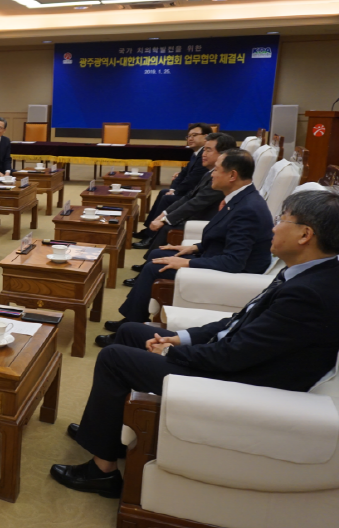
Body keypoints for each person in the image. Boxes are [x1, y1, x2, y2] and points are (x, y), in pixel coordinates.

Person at [51, 189, 339, 499]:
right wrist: (181, 337)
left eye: (282, 219)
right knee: (132, 332)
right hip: (234, 360)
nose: (273, 226)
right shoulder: (307, 273)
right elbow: (237, 321)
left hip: (239, 383)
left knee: (114, 358)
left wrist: (175, 352)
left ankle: (101, 472)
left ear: (305, 234)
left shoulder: (309, 295)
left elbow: (233, 356)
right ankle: (107, 433)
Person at [100, 150, 273, 340]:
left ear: (232, 175)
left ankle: (128, 330)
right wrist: (194, 248)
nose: (212, 174)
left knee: (154, 267)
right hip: (217, 257)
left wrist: (187, 263)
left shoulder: (248, 209)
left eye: (216, 170)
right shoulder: (240, 198)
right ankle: (132, 319)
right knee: (157, 254)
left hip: (234, 275)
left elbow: (234, 262)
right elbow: (224, 238)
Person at [129, 132, 231, 261]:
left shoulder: (220, 178)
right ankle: (150, 261)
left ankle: (151, 263)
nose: (203, 154)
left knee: (167, 225)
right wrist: (164, 215)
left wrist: (165, 219)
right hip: (197, 213)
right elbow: (189, 196)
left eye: (208, 150)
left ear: (223, 154)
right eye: (204, 150)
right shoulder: (209, 172)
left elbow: (196, 202)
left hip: (204, 218)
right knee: (166, 208)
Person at [134, 123, 213, 241]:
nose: (190, 139)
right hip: (189, 191)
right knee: (164, 192)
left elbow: (191, 181)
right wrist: (173, 189)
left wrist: (176, 192)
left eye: (194, 135)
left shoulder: (204, 155)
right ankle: (148, 229)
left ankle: (152, 236)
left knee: (167, 198)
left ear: (206, 137)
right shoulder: (196, 153)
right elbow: (183, 174)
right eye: (188, 136)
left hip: (194, 194)